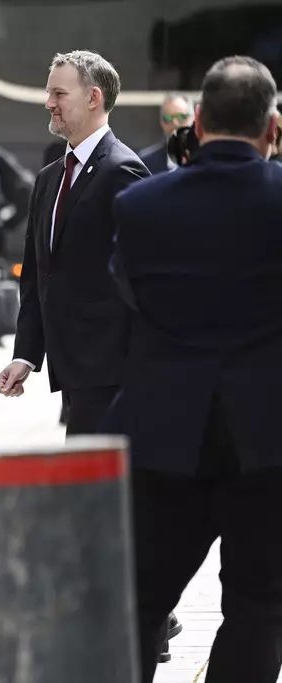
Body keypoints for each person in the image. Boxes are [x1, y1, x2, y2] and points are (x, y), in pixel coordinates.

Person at [110, 56, 282, 683]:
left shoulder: (139, 204)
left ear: (199, 121)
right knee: (259, 605)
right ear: (273, 129)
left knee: (137, 602)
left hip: (163, 430)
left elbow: (128, 291)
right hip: (267, 438)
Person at [0, 50, 148, 434]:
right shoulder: (49, 178)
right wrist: (26, 355)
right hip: (74, 372)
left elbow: (143, 276)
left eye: (59, 94)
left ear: (94, 97)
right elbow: (38, 273)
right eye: (49, 93)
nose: (49, 103)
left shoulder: (123, 171)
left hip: (113, 372)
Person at [138, 93, 195, 174]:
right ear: (161, 122)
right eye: (168, 118)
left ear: (193, 119)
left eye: (181, 117)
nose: (175, 123)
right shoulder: (144, 162)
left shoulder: (205, 158)